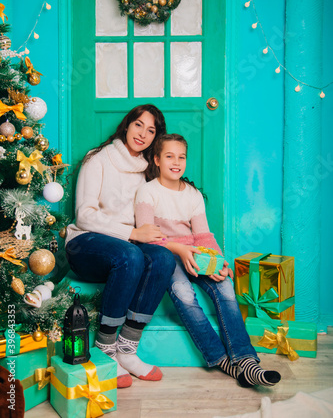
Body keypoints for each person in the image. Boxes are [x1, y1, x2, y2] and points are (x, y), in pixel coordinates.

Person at [134, 133, 281, 388]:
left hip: (194, 253)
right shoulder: (147, 192)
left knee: (224, 287)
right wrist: (178, 249)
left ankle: (245, 360)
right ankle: (220, 359)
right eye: (169, 156)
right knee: (184, 293)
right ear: (157, 160)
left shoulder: (192, 194)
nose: (176, 162)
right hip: (166, 254)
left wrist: (219, 262)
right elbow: (147, 237)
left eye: (181, 157)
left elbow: (203, 236)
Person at [65, 105, 176, 388]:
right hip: (85, 243)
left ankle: (127, 349)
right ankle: (104, 348)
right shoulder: (97, 159)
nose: (143, 134)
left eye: (151, 130)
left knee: (162, 258)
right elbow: (84, 215)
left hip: (126, 246)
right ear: (127, 125)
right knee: (129, 254)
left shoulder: (147, 171)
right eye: (139, 125)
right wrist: (133, 233)